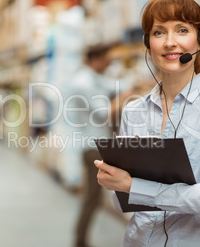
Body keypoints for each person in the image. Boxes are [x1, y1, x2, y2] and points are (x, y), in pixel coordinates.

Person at [94, 0, 200, 246]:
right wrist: (115, 181)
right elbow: (123, 200)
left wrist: (135, 186)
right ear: (148, 44)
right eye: (159, 32)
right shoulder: (134, 111)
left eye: (182, 30)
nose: (170, 42)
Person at [69, 45, 134, 247]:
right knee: (92, 198)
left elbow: (113, 85)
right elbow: (104, 113)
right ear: (96, 59)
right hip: (93, 147)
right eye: (106, 59)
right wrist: (124, 98)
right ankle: (80, 240)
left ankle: (80, 239)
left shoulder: (94, 78)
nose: (108, 64)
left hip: (98, 143)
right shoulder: (84, 82)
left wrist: (129, 85)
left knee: (94, 197)